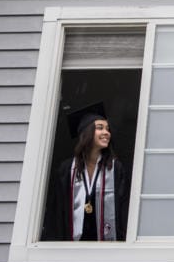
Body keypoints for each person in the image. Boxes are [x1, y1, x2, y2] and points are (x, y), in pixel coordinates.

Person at [42, 102, 129, 241]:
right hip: (73, 246)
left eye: (108, 129)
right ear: (87, 133)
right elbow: (57, 211)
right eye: (100, 128)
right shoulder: (67, 169)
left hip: (105, 246)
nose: (106, 133)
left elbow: (124, 208)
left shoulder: (115, 168)